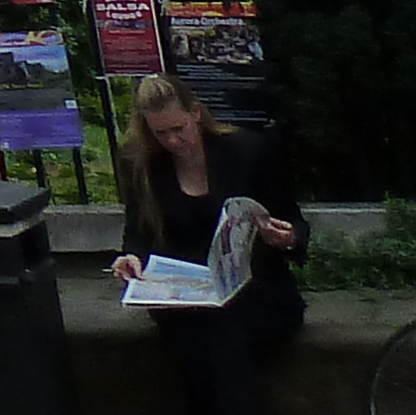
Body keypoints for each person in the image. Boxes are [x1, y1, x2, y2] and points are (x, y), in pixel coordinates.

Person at [108, 74, 305, 415]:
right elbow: (138, 231)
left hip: (255, 288)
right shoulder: (141, 164)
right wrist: (131, 258)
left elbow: (295, 224)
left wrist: (286, 238)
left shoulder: (247, 150)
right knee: (203, 335)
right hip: (185, 294)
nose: (173, 141)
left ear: (196, 114)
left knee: (217, 339)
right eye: (161, 133)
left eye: (179, 128)